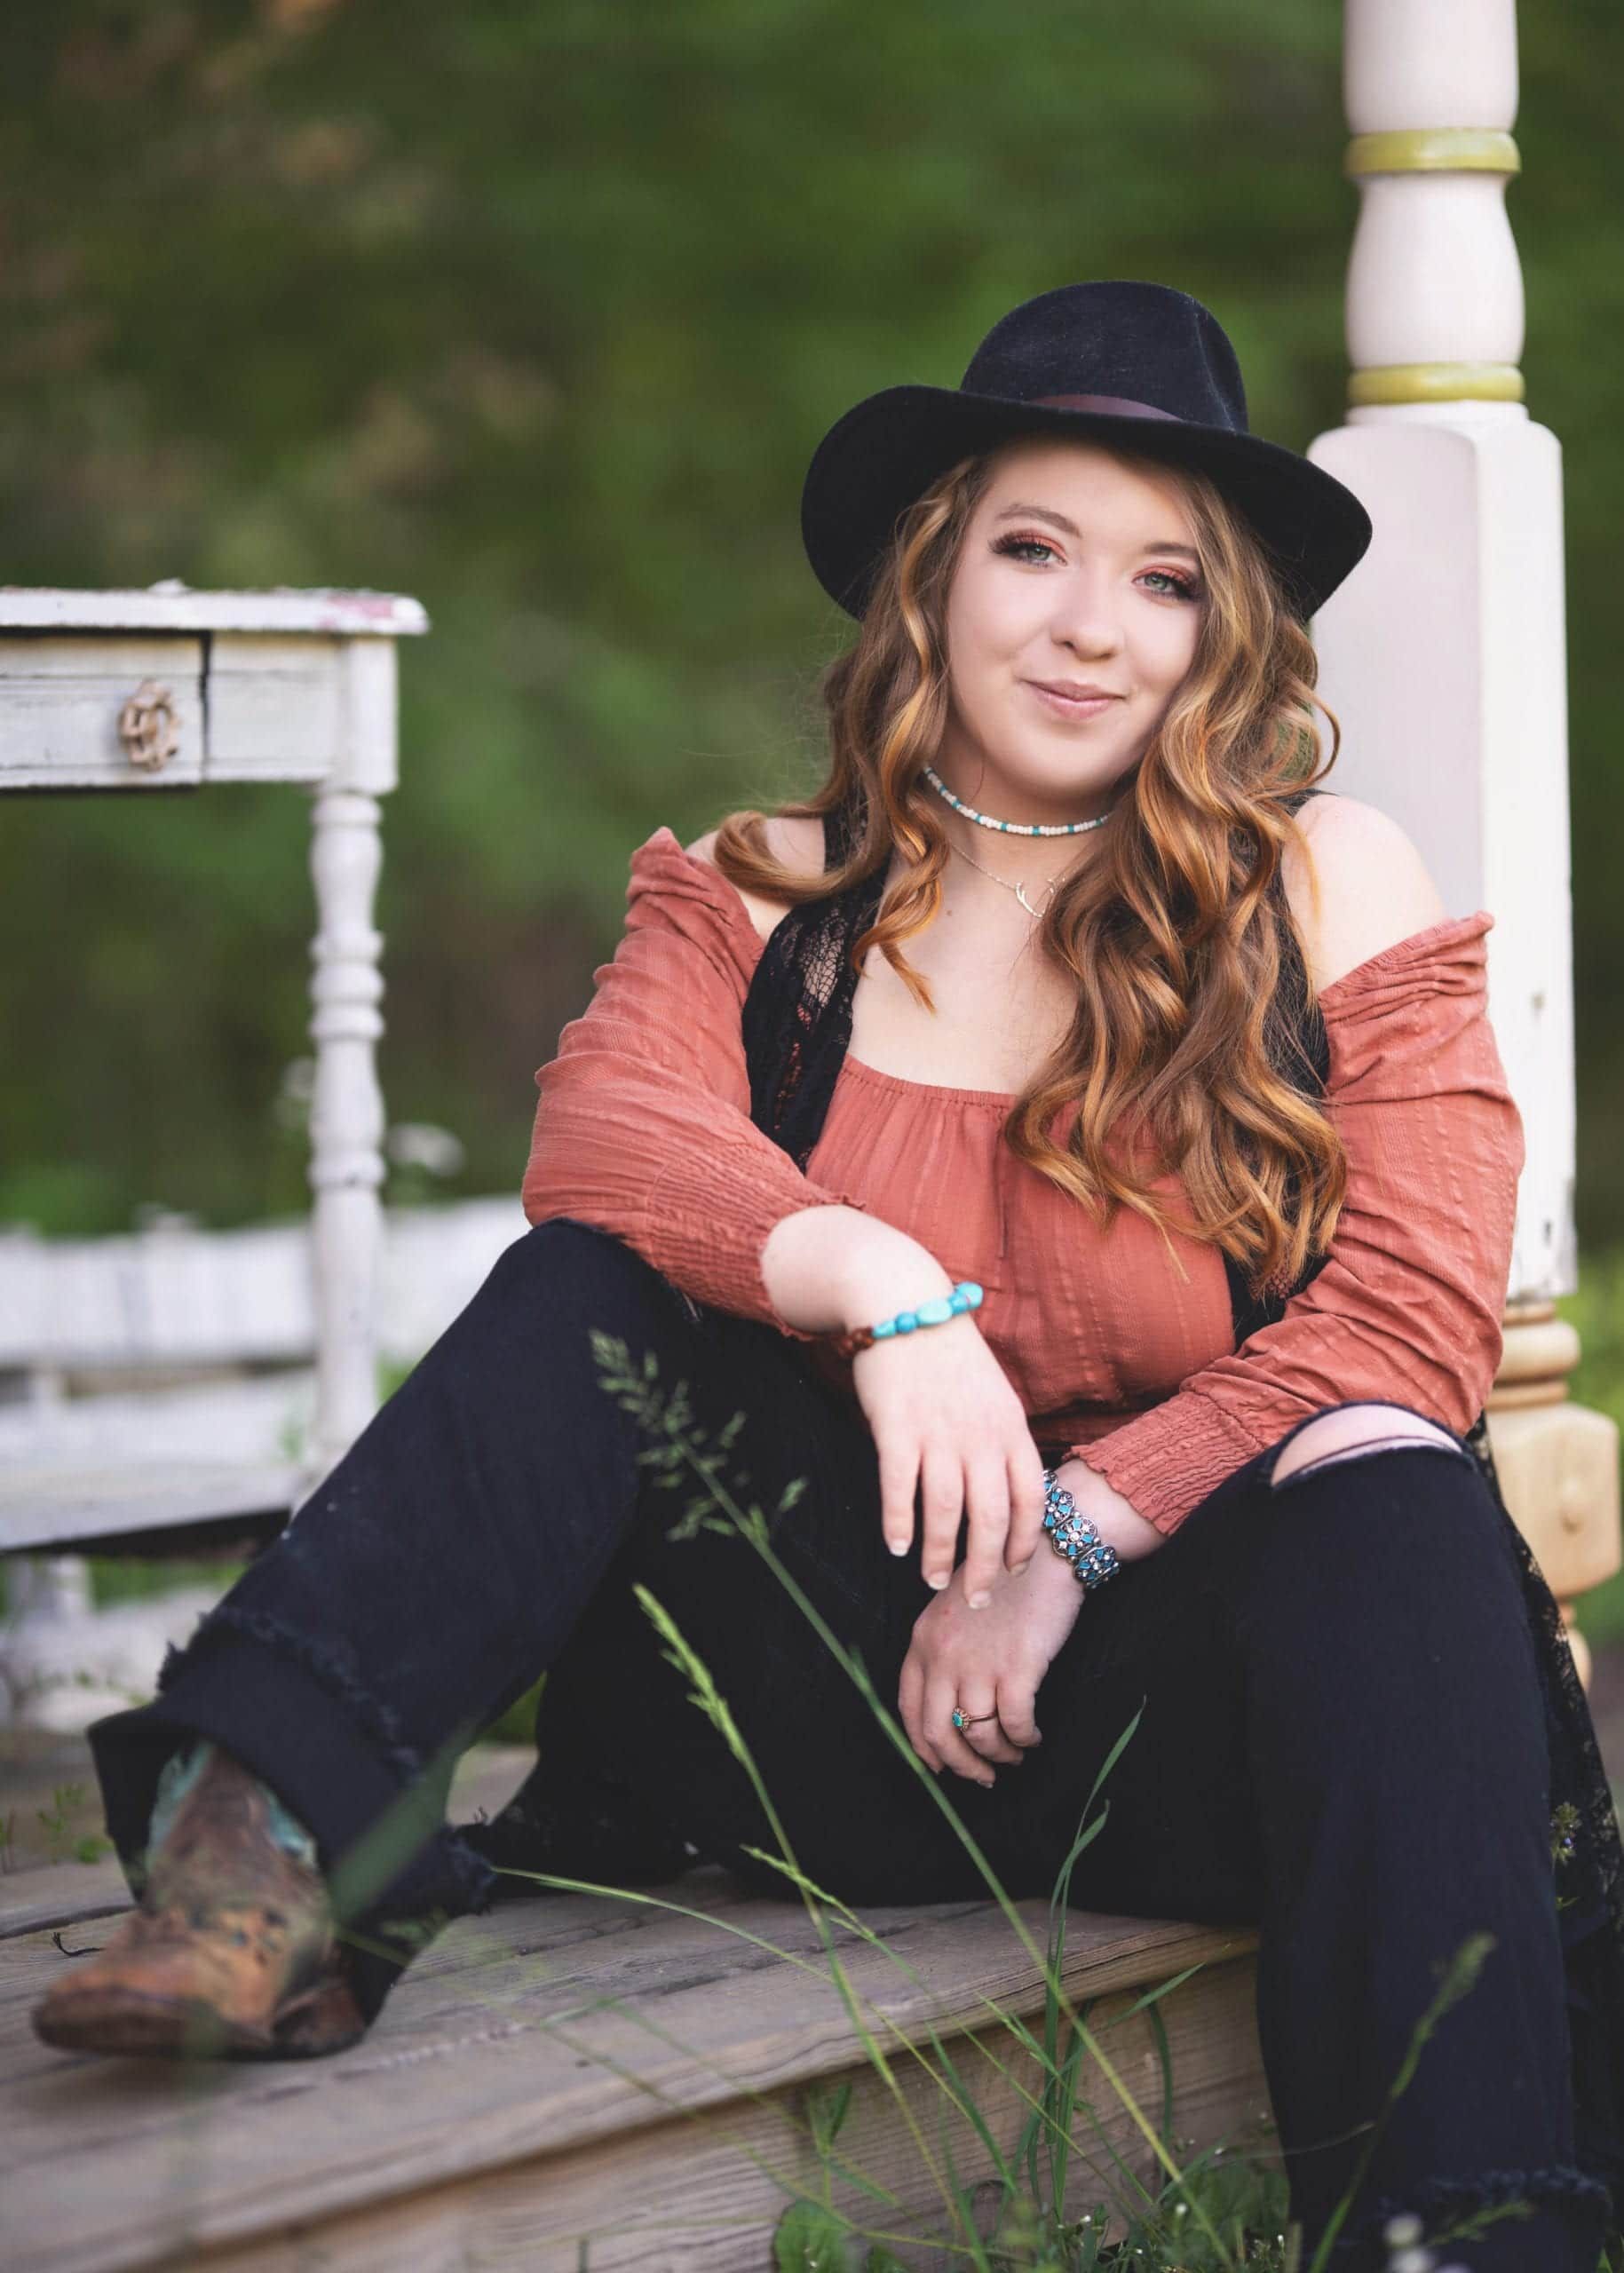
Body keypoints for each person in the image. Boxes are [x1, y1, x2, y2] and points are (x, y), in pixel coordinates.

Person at [29, 281, 1624, 2271]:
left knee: (1387, 1462)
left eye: (1163, 579)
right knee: (589, 1298)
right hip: (825, 1693)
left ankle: (1460, 2234)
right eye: (1034, 550)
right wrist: (883, 1284)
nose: (1089, 624)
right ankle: (249, 1858)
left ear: (1225, 632)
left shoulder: (1320, 876)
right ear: (933, 571)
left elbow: (1415, 1307)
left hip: (1200, 1717)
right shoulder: (773, 889)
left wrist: (1069, 1538)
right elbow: (600, 1138)